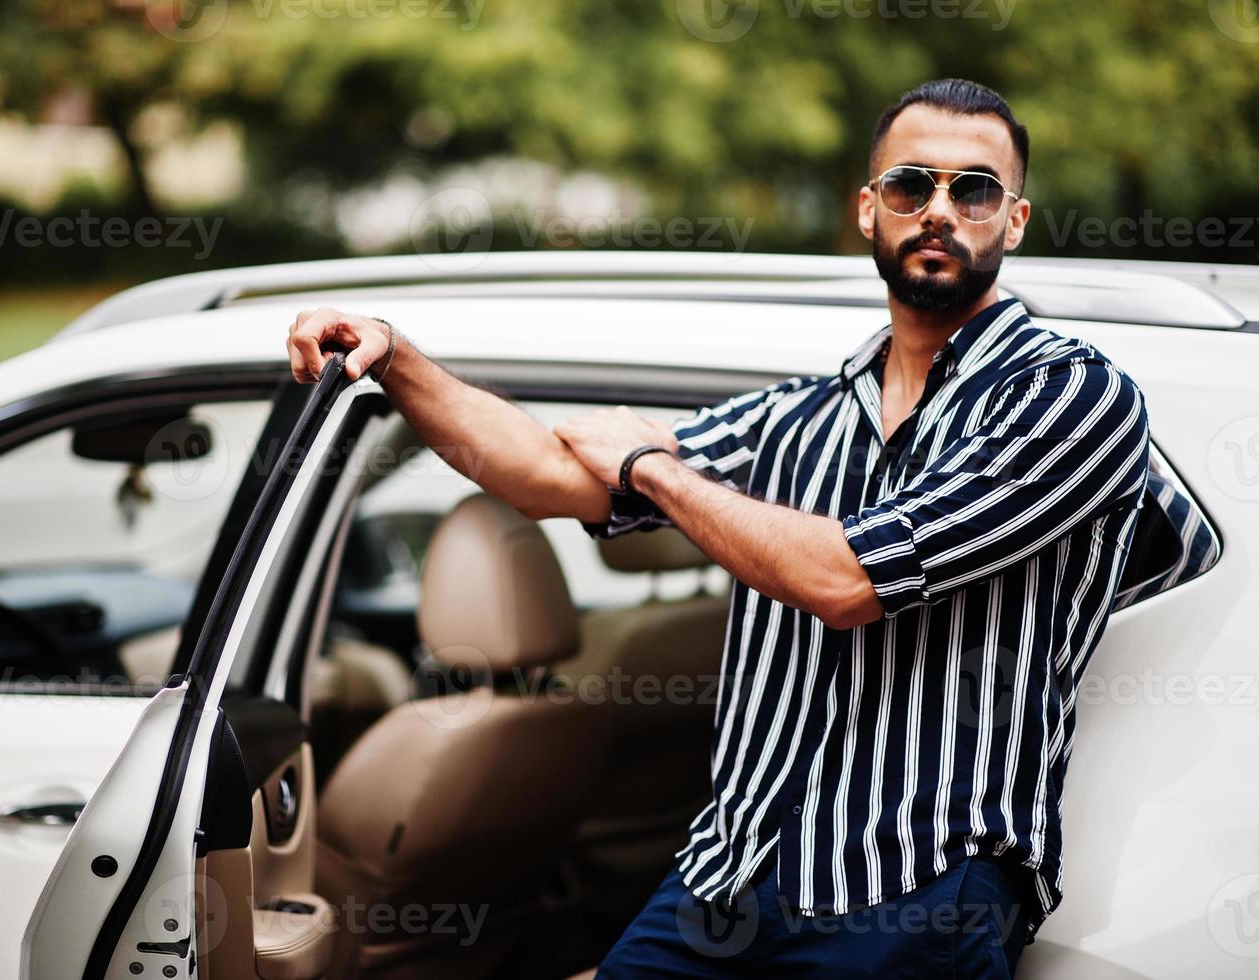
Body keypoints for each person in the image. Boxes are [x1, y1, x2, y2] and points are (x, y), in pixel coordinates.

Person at [286, 78, 1151, 978]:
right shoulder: (800, 414)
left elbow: (846, 581)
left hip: (916, 894)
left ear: (1012, 220)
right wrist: (395, 356)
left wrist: (651, 468)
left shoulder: (1068, 396)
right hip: (724, 878)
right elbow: (546, 474)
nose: (939, 210)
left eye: (972, 190)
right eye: (910, 185)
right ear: (868, 210)